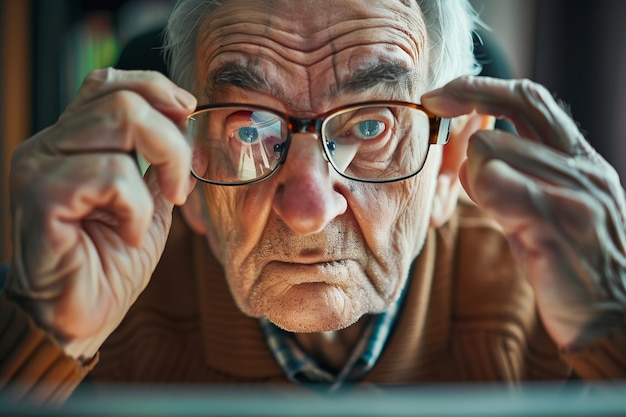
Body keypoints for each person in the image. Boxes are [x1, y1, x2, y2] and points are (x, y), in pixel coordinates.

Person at [1, 0, 626, 405]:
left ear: (450, 161)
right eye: (249, 127)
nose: (306, 207)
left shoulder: (556, 302)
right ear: (183, 162)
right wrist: (40, 340)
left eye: (373, 126)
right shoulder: (99, 294)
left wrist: (614, 334)